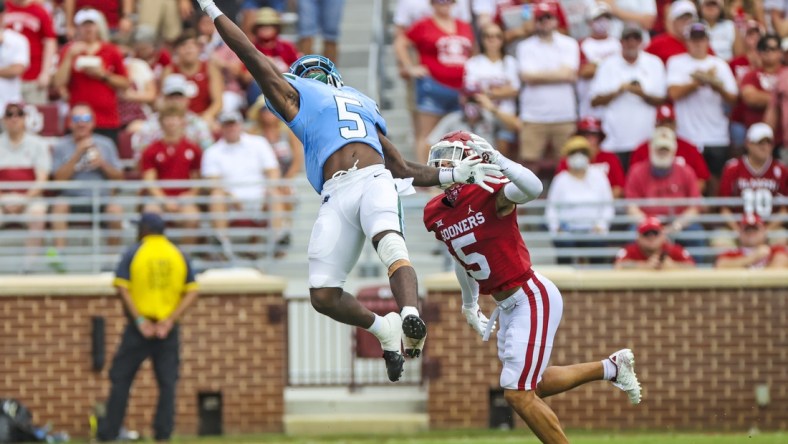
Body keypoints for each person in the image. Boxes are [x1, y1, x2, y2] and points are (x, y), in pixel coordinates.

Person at [197, 0, 502, 381]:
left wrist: (210, 8)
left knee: (390, 244)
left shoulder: (300, 96)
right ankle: (386, 327)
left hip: (371, 180)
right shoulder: (361, 103)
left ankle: (410, 315)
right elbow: (406, 168)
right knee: (323, 294)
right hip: (338, 191)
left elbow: (247, 51)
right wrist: (454, 173)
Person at [423, 131, 641, 443]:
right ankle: (611, 367)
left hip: (530, 296)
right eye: (439, 155)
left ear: (472, 158)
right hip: (507, 304)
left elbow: (534, 188)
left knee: (517, 394)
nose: (441, 163)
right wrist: (469, 303)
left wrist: (499, 159)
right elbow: (461, 258)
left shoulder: (489, 191)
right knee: (530, 384)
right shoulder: (435, 211)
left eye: (451, 155)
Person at [97, 212, 199, 442]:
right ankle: (163, 435)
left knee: (120, 379)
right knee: (167, 384)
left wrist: (140, 321)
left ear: (143, 229)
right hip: (167, 329)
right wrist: (170, 319)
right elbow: (192, 290)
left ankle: (109, 433)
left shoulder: (134, 252)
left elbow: (122, 287)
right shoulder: (178, 253)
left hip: (139, 329)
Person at [50, 104, 125, 261]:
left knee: (116, 209)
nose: (81, 123)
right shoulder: (61, 146)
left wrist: (102, 163)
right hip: (72, 198)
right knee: (59, 205)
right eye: (76, 119)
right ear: (70, 123)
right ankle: (59, 256)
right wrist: (77, 153)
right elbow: (58, 180)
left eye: (86, 119)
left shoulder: (106, 144)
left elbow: (119, 178)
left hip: (101, 197)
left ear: (93, 123)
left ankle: (111, 260)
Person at [589, 23, 666, 170]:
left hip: (645, 139)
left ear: (640, 42)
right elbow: (594, 100)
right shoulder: (607, 65)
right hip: (614, 140)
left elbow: (661, 99)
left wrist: (641, 93)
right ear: (621, 41)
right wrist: (619, 91)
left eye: (635, 38)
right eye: (627, 39)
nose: (631, 43)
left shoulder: (654, 63)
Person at [515, 2, 579, 166]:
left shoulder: (569, 43)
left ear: (556, 20)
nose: (545, 21)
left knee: (567, 161)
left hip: (564, 114)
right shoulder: (524, 46)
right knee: (529, 163)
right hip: (533, 115)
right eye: (541, 18)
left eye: (548, 17)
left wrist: (539, 75)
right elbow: (527, 76)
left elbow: (569, 73)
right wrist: (559, 74)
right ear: (535, 22)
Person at [52, 8, 130, 143]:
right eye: (84, 25)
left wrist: (103, 75)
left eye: (92, 24)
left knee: (105, 159)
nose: (88, 29)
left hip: (106, 119)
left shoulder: (111, 51)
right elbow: (58, 83)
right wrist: (70, 57)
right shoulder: (68, 51)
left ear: (98, 27)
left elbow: (125, 83)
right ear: (78, 28)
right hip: (78, 120)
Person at [546, 135, 614, 264]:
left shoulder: (599, 177)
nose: (578, 156)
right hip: (567, 231)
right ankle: (564, 283)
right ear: (567, 157)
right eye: (573, 153)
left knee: (598, 248)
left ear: (588, 155)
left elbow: (608, 206)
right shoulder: (560, 179)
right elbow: (552, 209)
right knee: (563, 247)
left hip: (593, 230)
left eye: (582, 152)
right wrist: (555, 228)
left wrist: (602, 226)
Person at [140, 106, 202, 244]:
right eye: (168, 119)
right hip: (159, 199)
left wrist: (189, 196)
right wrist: (165, 201)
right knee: (150, 213)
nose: (172, 123)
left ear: (182, 122)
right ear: (161, 123)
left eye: (176, 119)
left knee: (192, 216)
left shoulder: (193, 149)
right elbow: (149, 181)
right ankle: (152, 255)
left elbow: (197, 180)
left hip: (183, 199)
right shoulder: (151, 150)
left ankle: (185, 258)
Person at [0, 102, 50, 270]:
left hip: (30, 198)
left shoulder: (38, 144)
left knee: (38, 213)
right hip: (2, 198)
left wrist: (23, 201)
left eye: (19, 114)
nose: (14, 118)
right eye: (9, 114)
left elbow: (42, 179)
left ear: (25, 118)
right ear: (3, 119)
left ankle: (30, 267)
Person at [718, 123, 788, 231]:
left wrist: (766, 232)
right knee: (720, 242)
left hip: (770, 228)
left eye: (769, 143)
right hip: (737, 227)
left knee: (782, 240)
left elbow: (784, 210)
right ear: (748, 143)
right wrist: (739, 231)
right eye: (760, 143)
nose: (765, 147)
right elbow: (724, 209)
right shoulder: (732, 168)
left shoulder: (781, 169)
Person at [4, 0, 57, 105]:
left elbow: (50, 41)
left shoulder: (40, 11)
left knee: (34, 114)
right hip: (6, 75)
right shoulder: (4, 7)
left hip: (33, 75)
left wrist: (46, 72)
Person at [614, 217, 696, 269]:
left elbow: (692, 267)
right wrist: (644, 266)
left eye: (655, 233)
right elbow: (618, 266)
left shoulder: (673, 249)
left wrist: (672, 266)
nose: (651, 238)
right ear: (638, 237)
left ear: (663, 236)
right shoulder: (630, 250)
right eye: (646, 234)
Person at [715, 214, 788, 268]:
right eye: (747, 229)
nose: (751, 233)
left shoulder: (775, 250)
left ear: (764, 232)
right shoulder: (732, 253)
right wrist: (754, 257)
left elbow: (781, 263)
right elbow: (720, 266)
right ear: (740, 233)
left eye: (755, 229)